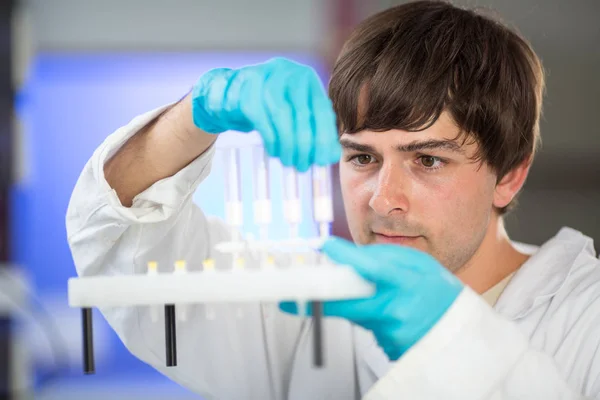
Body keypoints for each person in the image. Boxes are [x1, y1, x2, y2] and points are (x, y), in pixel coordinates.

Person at [66, 1, 600, 399]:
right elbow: (123, 244)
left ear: (509, 175)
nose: (383, 200)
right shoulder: (308, 301)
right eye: (363, 158)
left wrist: (454, 340)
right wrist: (195, 115)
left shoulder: (585, 318)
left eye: (428, 160)